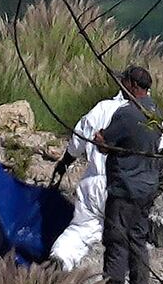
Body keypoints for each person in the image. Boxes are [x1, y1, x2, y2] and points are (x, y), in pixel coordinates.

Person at [95, 66, 163, 284]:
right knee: (139, 244)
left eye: (124, 82)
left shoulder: (126, 114)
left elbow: (105, 144)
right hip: (147, 189)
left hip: (124, 189)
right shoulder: (156, 111)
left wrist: (100, 141)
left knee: (116, 244)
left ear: (133, 85)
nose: (122, 86)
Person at [48, 73, 135, 270]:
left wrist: (64, 163)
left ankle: (61, 257)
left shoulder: (101, 108)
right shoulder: (144, 116)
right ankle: (115, 282)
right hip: (123, 185)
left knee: (80, 229)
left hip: (92, 183)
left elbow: (77, 141)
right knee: (123, 236)